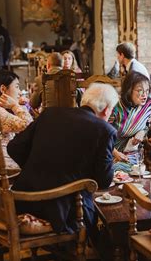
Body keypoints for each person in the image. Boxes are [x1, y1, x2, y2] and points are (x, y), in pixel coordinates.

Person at [7, 83, 118, 235]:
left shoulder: (50, 113)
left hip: (22, 201)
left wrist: (39, 167)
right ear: (107, 110)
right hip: (60, 212)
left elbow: (13, 148)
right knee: (99, 224)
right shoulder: (105, 130)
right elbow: (104, 181)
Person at [0, 69, 33, 172]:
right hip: (5, 164)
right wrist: (15, 105)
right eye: (17, 87)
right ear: (3, 89)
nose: (19, 92)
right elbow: (29, 127)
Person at [110, 71, 151, 165]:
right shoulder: (116, 107)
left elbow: (147, 126)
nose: (144, 95)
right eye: (139, 90)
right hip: (111, 151)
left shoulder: (148, 106)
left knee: (134, 173)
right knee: (117, 173)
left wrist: (142, 132)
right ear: (129, 90)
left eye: (146, 91)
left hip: (133, 153)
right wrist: (115, 153)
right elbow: (102, 134)